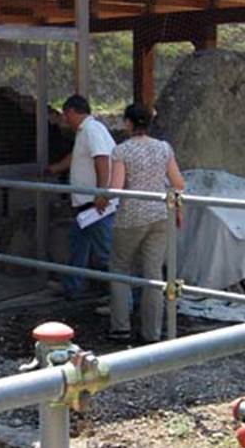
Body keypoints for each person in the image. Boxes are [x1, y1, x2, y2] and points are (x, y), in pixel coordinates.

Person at [108, 101, 184, 345]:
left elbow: (116, 188)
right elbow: (178, 183)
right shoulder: (164, 148)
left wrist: (100, 196)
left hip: (130, 216)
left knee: (120, 268)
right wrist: (177, 209)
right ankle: (152, 332)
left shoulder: (121, 151)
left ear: (128, 123)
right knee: (153, 274)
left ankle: (120, 328)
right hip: (160, 214)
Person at [47, 94, 118, 301]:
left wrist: (102, 192)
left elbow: (102, 159)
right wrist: (55, 168)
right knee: (78, 245)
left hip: (96, 204)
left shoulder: (91, 130)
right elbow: (76, 156)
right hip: (85, 204)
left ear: (71, 111)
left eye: (65, 115)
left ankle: (124, 295)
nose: (64, 120)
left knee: (105, 251)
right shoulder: (84, 132)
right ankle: (73, 286)